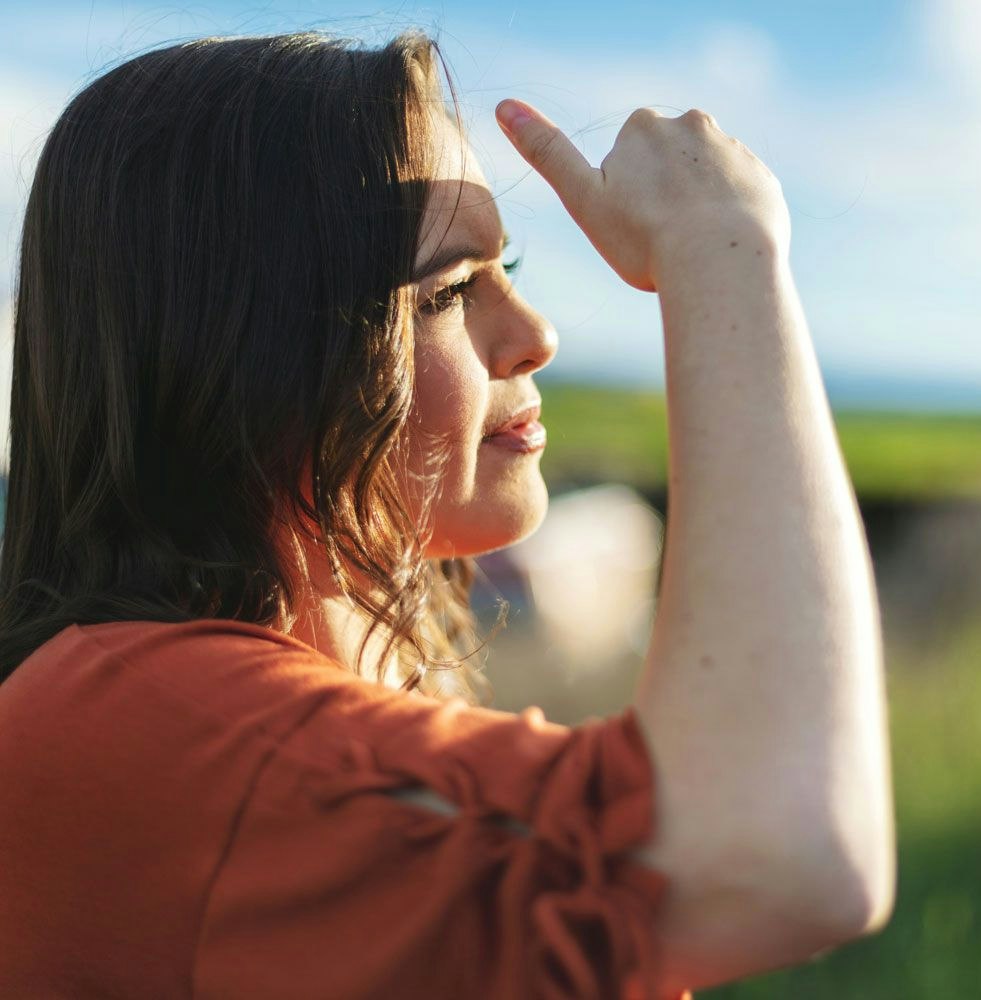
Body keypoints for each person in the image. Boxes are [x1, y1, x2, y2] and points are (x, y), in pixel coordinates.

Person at [0, 29, 895, 999]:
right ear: (241, 344)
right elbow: (782, 849)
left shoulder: (218, 713)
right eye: (450, 290)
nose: (534, 335)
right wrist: (724, 254)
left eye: (509, 273)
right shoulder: (156, 731)